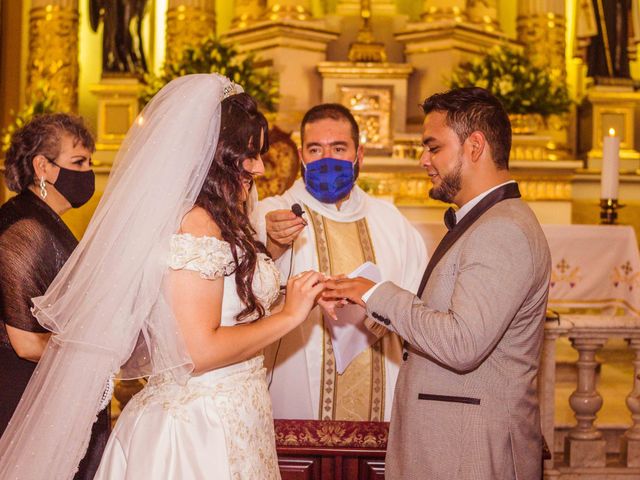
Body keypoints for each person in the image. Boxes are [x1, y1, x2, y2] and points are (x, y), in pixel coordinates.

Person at [0, 74, 324, 479]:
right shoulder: (194, 223)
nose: (259, 167)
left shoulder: (223, 217)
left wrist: (287, 278)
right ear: (217, 154)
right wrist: (289, 317)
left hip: (238, 413)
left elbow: (225, 300)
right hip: (196, 430)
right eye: (250, 154)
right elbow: (198, 350)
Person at [324, 87, 552, 479]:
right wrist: (368, 304)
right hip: (454, 440)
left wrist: (375, 293)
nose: (423, 160)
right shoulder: (483, 221)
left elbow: (462, 342)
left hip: (471, 449)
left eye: (433, 148)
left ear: (475, 146)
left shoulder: (502, 230)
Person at [255, 104, 427, 421]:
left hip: (382, 406)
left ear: (358, 155)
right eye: (315, 149)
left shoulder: (391, 222)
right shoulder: (273, 213)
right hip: (295, 402)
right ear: (301, 156)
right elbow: (243, 294)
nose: (327, 159)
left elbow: (419, 309)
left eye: (338, 148)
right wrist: (272, 246)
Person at [0, 113, 109, 479]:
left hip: (48, 390)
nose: (88, 173)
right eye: (78, 162)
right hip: (22, 395)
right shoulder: (23, 231)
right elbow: (28, 343)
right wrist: (98, 350)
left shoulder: (43, 219)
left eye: (90, 162)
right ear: (42, 166)